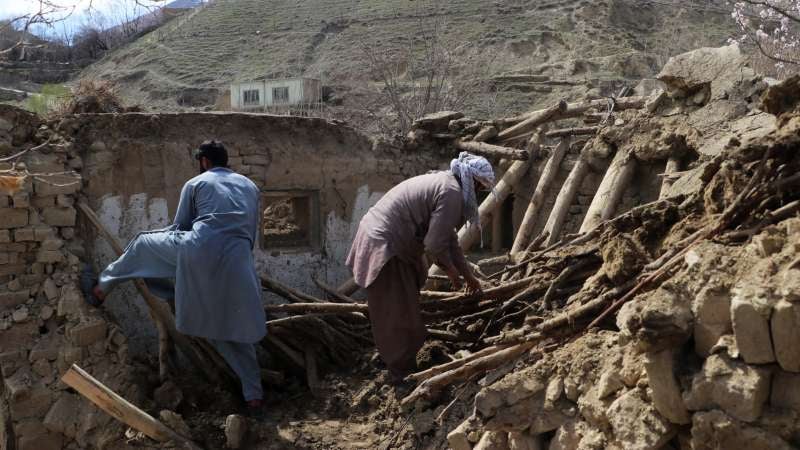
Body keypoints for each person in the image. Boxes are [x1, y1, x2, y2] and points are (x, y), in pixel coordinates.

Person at [84, 140, 267, 414]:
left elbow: (180, 226)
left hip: (199, 248)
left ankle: (101, 289)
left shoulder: (197, 183)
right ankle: (254, 397)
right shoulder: (251, 187)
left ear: (203, 161)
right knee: (235, 332)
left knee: (144, 244)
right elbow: (250, 232)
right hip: (239, 260)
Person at [346, 152, 494, 382]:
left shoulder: (447, 185)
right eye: (481, 188)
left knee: (404, 304)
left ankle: (400, 360)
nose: (480, 193)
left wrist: (469, 276)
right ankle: (400, 373)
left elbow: (449, 239)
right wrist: (452, 273)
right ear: (473, 181)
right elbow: (434, 245)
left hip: (391, 242)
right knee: (397, 311)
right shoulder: (451, 193)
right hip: (385, 245)